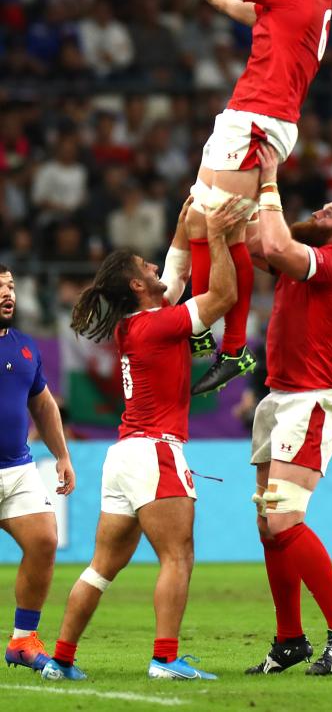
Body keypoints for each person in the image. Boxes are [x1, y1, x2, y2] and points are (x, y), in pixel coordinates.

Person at [126, 0, 332, 396]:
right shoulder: (306, 2)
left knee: (217, 222)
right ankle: (177, 314)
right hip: (253, 114)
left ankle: (225, 345)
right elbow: (228, 2)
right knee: (194, 218)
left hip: (258, 117)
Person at [41, 196, 245, 682]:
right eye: (145, 265)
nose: (157, 264)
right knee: (179, 555)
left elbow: (170, 276)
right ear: (137, 284)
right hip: (156, 450)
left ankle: (61, 659)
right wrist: (214, 235)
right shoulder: (159, 324)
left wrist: (182, 226)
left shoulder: (138, 323)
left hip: (123, 456)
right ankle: (165, 659)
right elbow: (223, 297)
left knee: (100, 568)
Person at [245, 144, 332, 676]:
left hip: (309, 400)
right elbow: (257, 245)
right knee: (267, 526)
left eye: (330, 215)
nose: (320, 212)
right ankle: (289, 639)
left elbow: (274, 240)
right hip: (277, 398)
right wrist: (239, 191)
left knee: (284, 517)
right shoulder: (299, 262)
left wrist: (269, 176)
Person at [1, 265, 76, 672]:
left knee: (45, 541)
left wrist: (62, 455)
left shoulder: (25, 346)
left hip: (17, 468)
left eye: (10, 286)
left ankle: (22, 640)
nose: (6, 293)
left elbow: (43, 404)